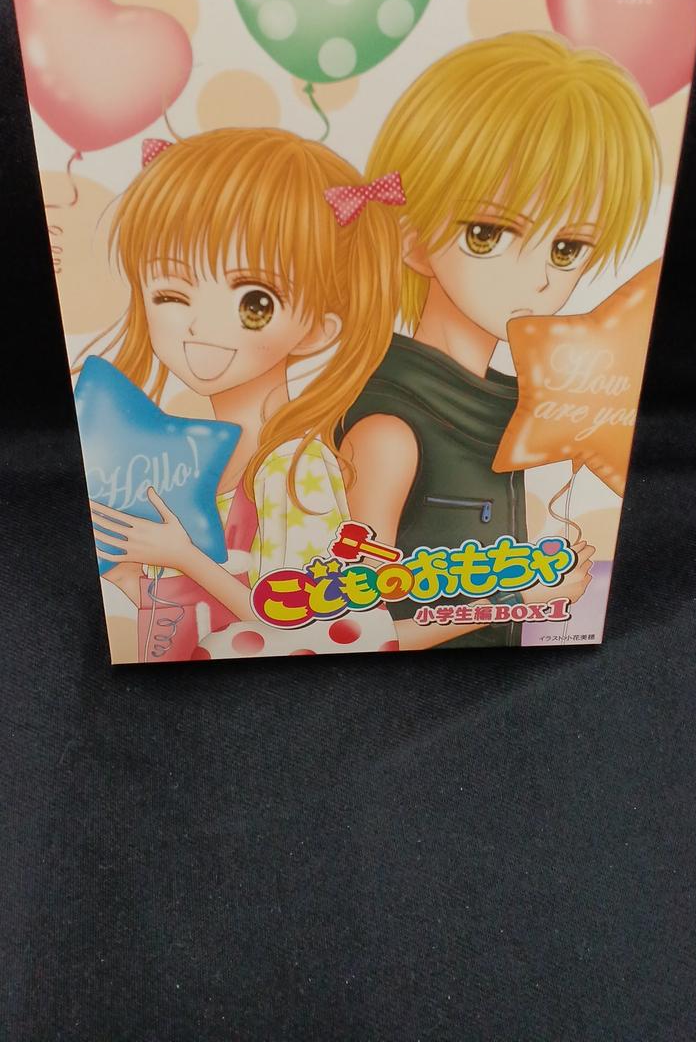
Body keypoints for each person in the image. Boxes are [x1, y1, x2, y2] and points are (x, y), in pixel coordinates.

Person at [340, 33, 659, 649]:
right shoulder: (389, 431)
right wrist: (522, 596)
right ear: (412, 239)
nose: (537, 277)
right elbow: (357, 632)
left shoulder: (515, 409)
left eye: (566, 248)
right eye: (487, 234)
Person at [84, 127, 403, 660]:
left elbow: (301, 617)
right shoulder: (178, 463)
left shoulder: (292, 465)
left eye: (255, 303)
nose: (198, 326)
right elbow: (181, 615)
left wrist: (183, 556)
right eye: (171, 293)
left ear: (318, 329)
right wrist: (125, 575)